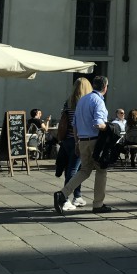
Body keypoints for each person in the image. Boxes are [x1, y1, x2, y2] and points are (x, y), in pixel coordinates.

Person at [54, 75, 112, 215]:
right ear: (105, 87)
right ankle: (98, 204)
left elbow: (75, 125)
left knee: (84, 170)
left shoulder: (82, 100)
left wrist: (77, 141)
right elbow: (98, 123)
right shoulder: (98, 101)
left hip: (82, 140)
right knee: (101, 170)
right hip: (94, 141)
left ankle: (62, 193)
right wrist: (110, 128)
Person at [57, 77, 92, 212]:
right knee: (74, 169)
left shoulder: (69, 102)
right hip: (78, 139)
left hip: (67, 139)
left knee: (74, 169)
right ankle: (64, 198)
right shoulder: (84, 103)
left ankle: (77, 196)